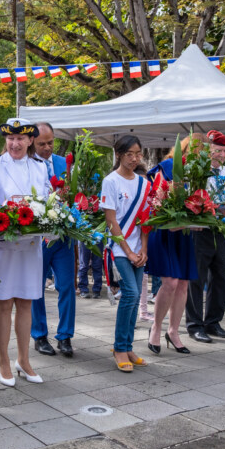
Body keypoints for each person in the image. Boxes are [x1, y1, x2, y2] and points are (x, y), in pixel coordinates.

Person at [0, 118, 49, 386]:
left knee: (26, 302)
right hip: (4, 243)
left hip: (30, 245)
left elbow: (45, 200)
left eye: (21, 139)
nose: (15, 143)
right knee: (5, 302)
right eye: (10, 139)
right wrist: (8, 219)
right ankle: (3, 361)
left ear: (30, 140)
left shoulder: (40, 167)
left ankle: (24, 360)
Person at [145, 135, 203, 355]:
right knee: (169, 282)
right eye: (199, 151)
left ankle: (174, 331)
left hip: (183, 234)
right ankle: (156, 328)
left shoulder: (198, 173)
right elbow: (154, 201)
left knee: (183, 284)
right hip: (164, 231)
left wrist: (197, 220)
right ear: (187, 149)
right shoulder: (166, 167)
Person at [100, 135, 150, 372]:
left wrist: (143, 250)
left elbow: (145, 222)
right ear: (119, 154)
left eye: (138, 153)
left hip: (138, 249)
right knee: (130, 293)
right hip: (119, 247)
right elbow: (111, 220)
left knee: (137, 294)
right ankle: (120, 347)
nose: (134, 158)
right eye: (129, 154)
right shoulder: (110, 182)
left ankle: (128, 346)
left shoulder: (144, 184)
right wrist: (129, 251)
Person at [30, 122, 76, 357]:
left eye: (51, 142)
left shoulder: (63, 163)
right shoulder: (27, 166)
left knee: (67, 285)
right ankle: (39, 335)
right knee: (36, 287)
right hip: (38, 238)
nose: (47, 148)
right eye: (42, 144)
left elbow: (75, 194)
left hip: (63, 237)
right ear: (32, 143)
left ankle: (65, 336)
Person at [185, 129, 225, 343]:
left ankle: (213, 321)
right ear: (207, 150)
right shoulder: (196, 171)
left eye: (224, 151)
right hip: (201, 230)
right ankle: (194, 324)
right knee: (196, 278)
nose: (221, 155)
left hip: (222, 229)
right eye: (217, 150)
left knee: (221, 276)